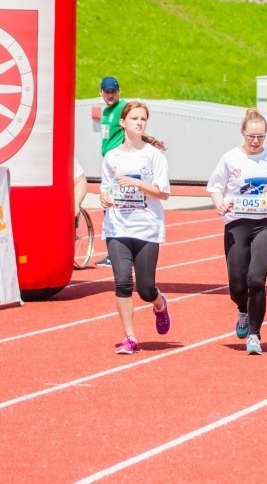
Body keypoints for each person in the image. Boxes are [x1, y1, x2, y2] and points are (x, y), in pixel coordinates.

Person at [206, 108, 267, 355]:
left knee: (257, 280)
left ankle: (254, 334)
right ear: (242, 133)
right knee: (237, 286)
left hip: (265, 224)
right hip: (236, 225)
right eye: (251, 136)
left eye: (260, 137)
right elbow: (215, 187)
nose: (255, 141)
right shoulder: (230, 158)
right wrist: (219, 202)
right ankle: (242, 309)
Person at [100, 101, 171, 354]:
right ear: (123, 123)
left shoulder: (153, 156)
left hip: (146, 228)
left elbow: (163, 193)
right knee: (121, 282)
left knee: (145, 288)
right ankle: (130, 338)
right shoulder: (112, 157)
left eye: (143, 119)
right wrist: (105, 197)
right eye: (134, 119)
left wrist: (137, 183)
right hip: (117, 227)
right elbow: (106, 187)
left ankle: (160, 304)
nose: (139, 123)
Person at [96, 76, 127, 267]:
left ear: (119, 91)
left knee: (115, 205)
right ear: (101, 92)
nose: (110, 94)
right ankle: (114, 252)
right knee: (107, 205)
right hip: (109, 163)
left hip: (118, 163)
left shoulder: (123, 108)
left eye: (113, 91)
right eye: (106, 91)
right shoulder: (106, 111)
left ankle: (118, 253)